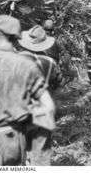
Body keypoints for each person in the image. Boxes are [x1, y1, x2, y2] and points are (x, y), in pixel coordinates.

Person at [0, 15, 55, 165]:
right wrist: (24, 128)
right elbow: (48, 107)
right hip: (10, 139)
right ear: (17, 39)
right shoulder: (25, 65)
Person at [18, 25, 64, 165]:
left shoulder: (13, 59)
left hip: (18, 112)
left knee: (19, 154)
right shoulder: (49, 62)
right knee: (41, 155)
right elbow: (59, 84)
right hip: (42, 112)